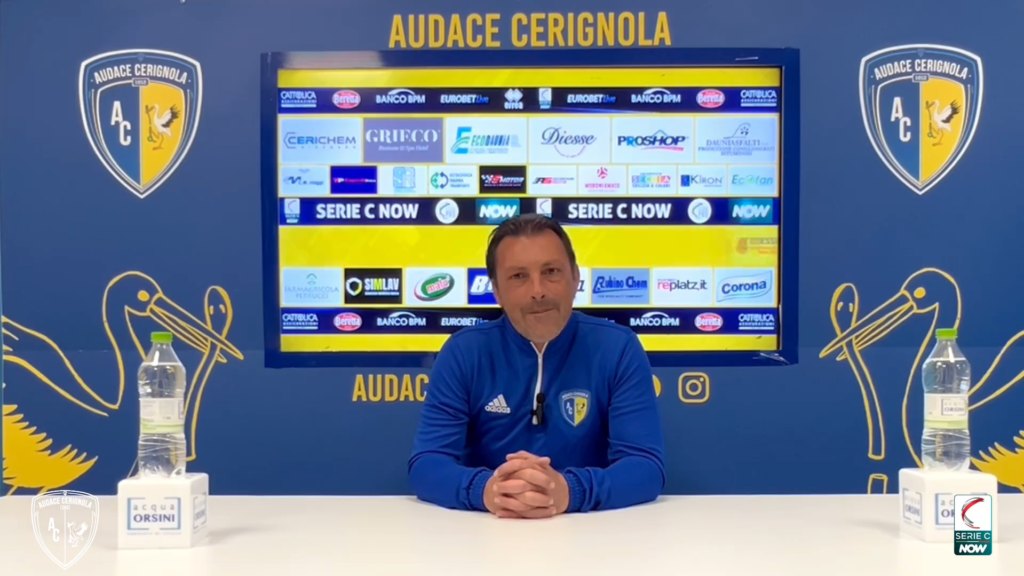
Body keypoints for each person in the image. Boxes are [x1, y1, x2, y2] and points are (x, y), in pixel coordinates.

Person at [408, 213, 666, 518]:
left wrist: (568, 491)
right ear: (496, 291)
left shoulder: (618, 348)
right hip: (487, 530)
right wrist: (489, 491)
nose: (537, 290)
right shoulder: (463, 352)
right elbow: (427, 465)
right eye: (519, 276)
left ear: (575, 278)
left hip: (591, 533)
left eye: (551, 271)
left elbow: (645, 468)